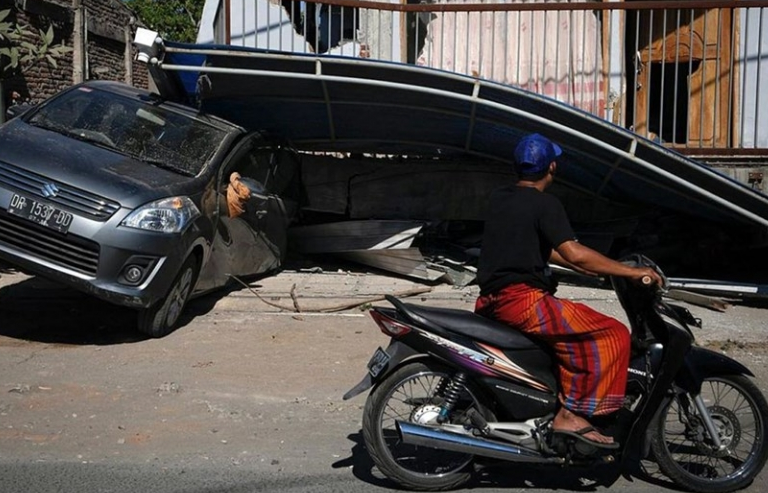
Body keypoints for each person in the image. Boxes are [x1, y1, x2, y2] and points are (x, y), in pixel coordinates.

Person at [475, 133, 662, 447]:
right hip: (523, 302)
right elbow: (574, 251)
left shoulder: (500, 198)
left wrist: (593, 266)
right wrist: (631, 271)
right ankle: (571, 413)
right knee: (613, 333)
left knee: (569, 339)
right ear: (552, 167)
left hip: (492, 300)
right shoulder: (546, 204)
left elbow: (545, 250)